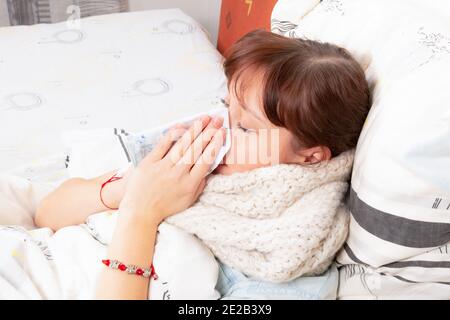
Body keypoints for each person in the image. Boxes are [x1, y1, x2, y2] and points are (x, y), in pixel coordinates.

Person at [35, 29, 370, 299]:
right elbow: (46, 214)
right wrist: (131, 187)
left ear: (310, 157)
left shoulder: (283, 263)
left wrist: (142, 213)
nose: (219, 128)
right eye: (225, 106)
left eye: (245, 128)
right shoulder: (186, 170)